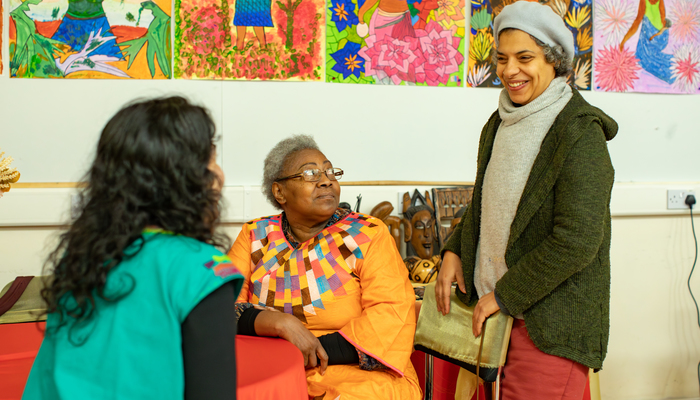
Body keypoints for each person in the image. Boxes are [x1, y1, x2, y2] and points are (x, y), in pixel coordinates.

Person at [434, 2, 617, 398]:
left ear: (554, 62)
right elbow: (489, 205)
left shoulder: (579, 133)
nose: (509, 71)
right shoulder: (498, 124)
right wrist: (453, 250)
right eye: (502, 59)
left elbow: (577, 239)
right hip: (494, 310)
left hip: (547, 323)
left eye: (524, 58)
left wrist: (505, 294)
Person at [23, 97, 244, 400]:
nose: (218, 173)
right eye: (210, 158)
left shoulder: (82, 258)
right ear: (188, 177)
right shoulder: (204, 271)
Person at [228, 134, 421, 399]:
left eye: (330, 171)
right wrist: (277, 323)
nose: (326, 180)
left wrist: (307, 350)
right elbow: (218, 308)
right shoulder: (254, 235)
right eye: (310, 173)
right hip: (269, 370)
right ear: (279, 191)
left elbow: (390, 317)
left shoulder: (368, 234)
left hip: (357, 376)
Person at [619, 0, 674, 84]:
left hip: (653, 38)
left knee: (642, 55)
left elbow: (637, 23)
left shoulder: (644, 1)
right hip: (662, 37)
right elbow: (663, 20)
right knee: (646, 23)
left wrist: (624, 40)